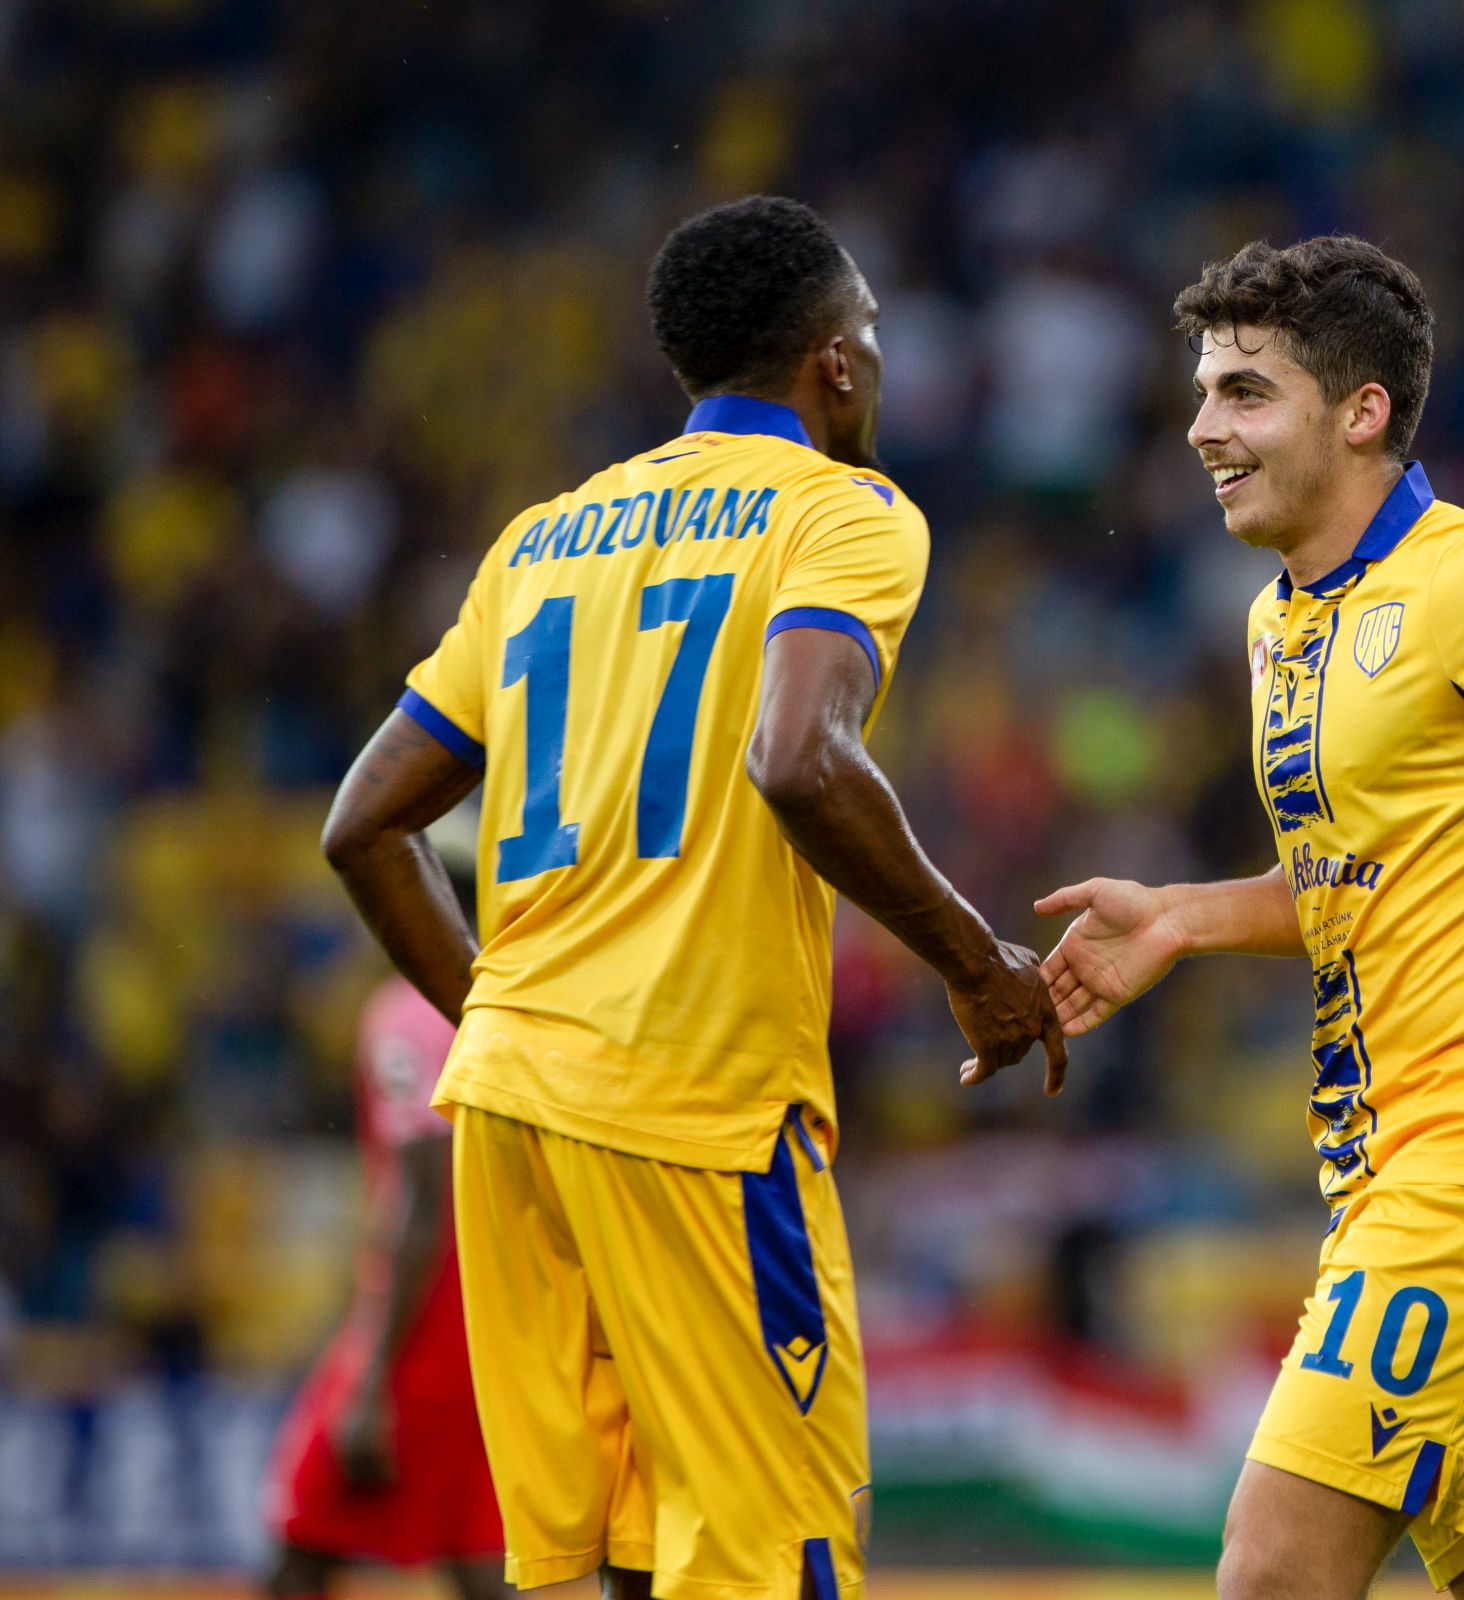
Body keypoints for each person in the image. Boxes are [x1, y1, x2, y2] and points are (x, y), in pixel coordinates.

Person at [318, 195, 1064, 1600]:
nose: (881, 359)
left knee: (618, 1557)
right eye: (874, 332)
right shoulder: (844, 512)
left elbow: (364, 825)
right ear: (834, 359)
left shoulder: (543, 537)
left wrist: (515, 1019)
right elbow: (798, 759)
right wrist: (976, 963)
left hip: (513, 1115)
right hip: (695, 1109)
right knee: (775, 1552)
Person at [1038, 238, 1464, 1600]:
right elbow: (1368, 880)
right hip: (1391, 1156)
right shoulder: (1277, 627)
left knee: (1272, 1569)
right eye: (1203, 393)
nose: (1203, 429)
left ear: (1362, 412)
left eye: (1246, 393)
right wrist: (1183, 917)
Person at [263, 822, 504, 1600]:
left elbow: (423, 1203)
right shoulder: (494, 1012)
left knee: (301, 1538)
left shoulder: (406, 1016)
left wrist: (371, 1376)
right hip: (492, 1318)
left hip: (422, 1325)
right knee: (474, 1555)